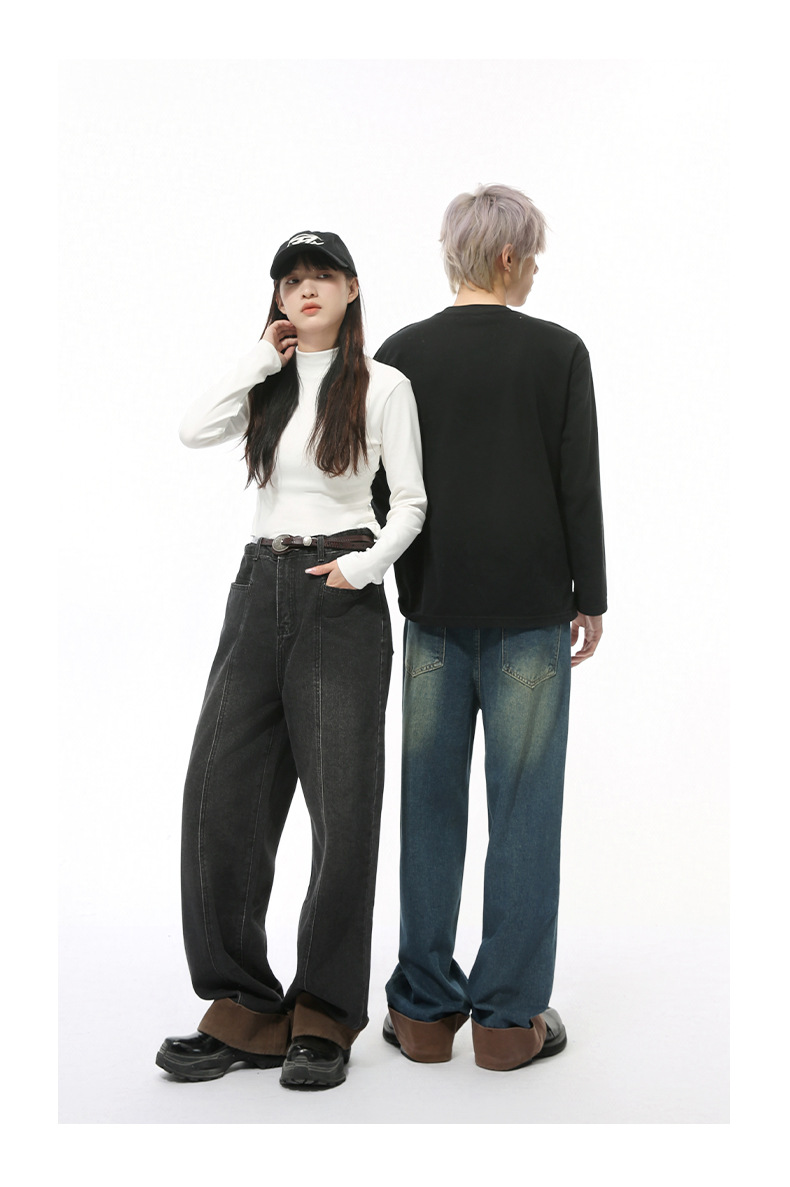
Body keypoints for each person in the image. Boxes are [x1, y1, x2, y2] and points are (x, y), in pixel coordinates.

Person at [156, 230, 426, 1090]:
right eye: (291, 282)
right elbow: (192, 428)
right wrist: (256, 358)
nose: (306, 291)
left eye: (321, 278)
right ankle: (243, 1004)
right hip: (257, 584)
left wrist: (363, 568)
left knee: (342, 810)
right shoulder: (266, 382)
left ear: (350, 289)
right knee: (219, 794)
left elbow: (411, 503)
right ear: (278, 299)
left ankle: (324, 1012)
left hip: (338, 589)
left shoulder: (383, 384)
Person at [371, 185, 606, 1072]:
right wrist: (591, 594)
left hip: (432, 614)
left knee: (429, 809)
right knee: (525, 811)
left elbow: (382, 487)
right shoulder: (559, 352)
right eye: (533, 256)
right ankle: (508, 1020)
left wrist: (407, 580)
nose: (536, 269)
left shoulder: (401, 353)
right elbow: (577, 480)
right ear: (509, 257)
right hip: (531, 617)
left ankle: (424, 1012)